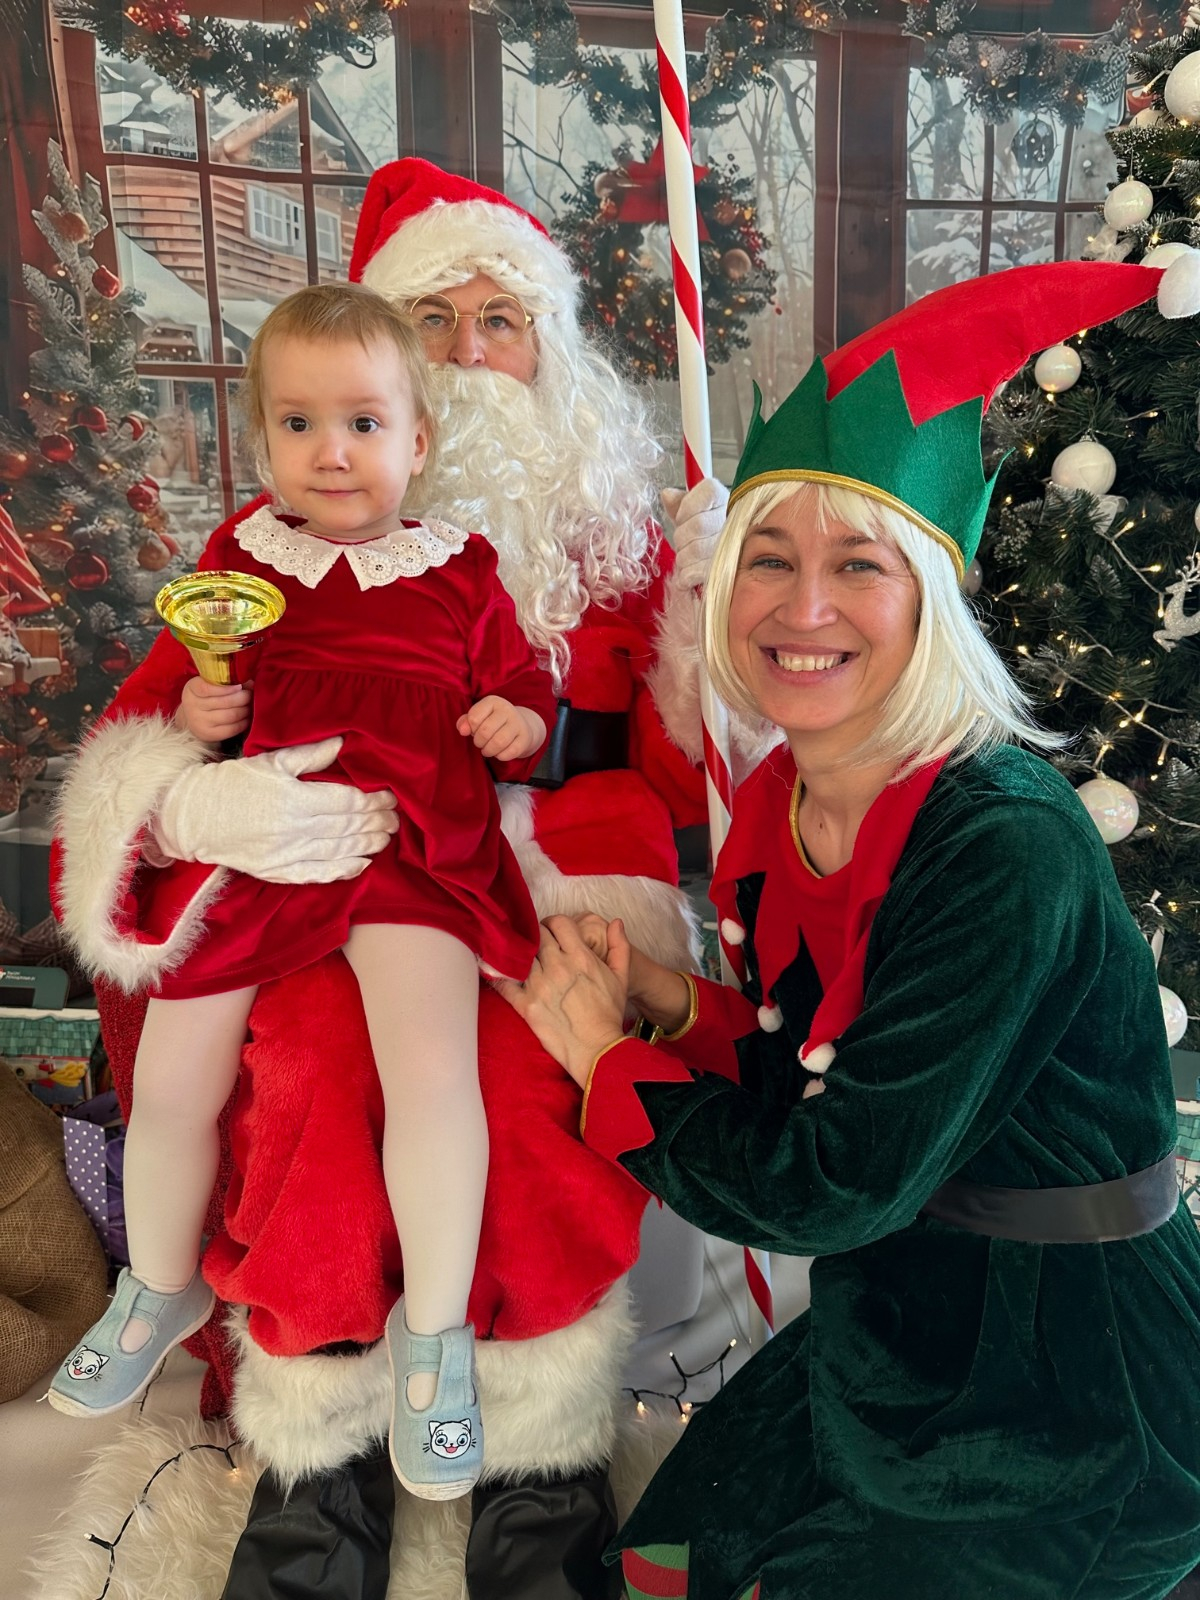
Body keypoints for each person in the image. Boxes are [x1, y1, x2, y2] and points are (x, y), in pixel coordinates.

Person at [51, 161, 762, 1600]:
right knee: (310, 1067)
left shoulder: (623, 544)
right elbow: (141, 735)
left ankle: (541, 1471)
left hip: (558, 884)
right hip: (323, 870)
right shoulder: (264, 554)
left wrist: (710, 626)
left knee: (530, 1079)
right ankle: (320, 1463)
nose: (471, 349)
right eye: (433, 319)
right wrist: (198, 797)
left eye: (503, 319)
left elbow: (709, 775)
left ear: (545, 350)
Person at [501, 259, 1200, 1600]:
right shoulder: (781, 802)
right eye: (769, 558)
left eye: (856, 566)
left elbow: (830, 1183)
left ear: (928, 600)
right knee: (666, 1555)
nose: (802, 608)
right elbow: (807, 1065)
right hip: (907, 1300)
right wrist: (668, 999)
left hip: (1073, 1373)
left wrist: (605, 1066)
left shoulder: (1002, 843)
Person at [50, 282, 557, 1502]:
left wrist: (515, 719)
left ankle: (433, 1337)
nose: (332, 451)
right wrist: (199, 714)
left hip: (412, 844)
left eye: (363, 423)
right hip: (268, 846)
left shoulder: (458, 568)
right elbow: (183, 698)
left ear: (416, 441)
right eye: (298, 423)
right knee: (175, 1070)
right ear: (263, 438)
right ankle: (157, 1283)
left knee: (431, 1072)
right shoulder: (242, 561)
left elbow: (525, 689)